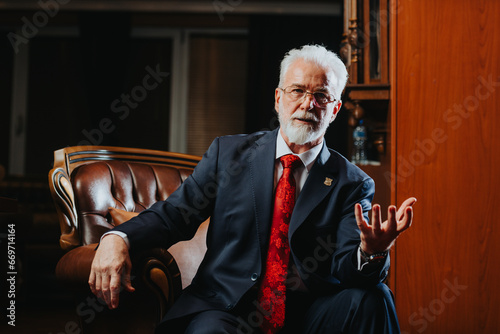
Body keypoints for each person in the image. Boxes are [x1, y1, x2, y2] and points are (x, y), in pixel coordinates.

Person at [89, 44, 416, 334]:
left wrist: (371, 252)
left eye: (321, 96)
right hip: (228, 308)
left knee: (375, 297)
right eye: (297, 91)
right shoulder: (227, 155)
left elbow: (348, 271)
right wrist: (118, 239)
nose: (308, 104)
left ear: (335, 109)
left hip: (310, 313)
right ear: (278, 98)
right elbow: (176, 214)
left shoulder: (352, 182)